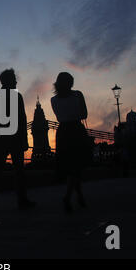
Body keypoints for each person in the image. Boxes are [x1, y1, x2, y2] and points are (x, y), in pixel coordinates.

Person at [0, 68, 36, 214]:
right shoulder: (17, 97)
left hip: (0, 138)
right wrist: (23, 139)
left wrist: (0, 125)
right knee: (19, 170)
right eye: (14, 79)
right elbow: (22, 120)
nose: (16, 81)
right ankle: (22, 200)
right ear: (8, 80)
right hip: (14, 138)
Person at [51, 72, 89, 213]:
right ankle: (67, 197)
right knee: (76, 166)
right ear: (70, 83)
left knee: (71, 167)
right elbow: (84, 114)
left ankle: (79, 195)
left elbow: (59, 116)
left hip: (63, 132)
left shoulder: (53, 100)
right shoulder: (78, 95)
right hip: (76, 131)